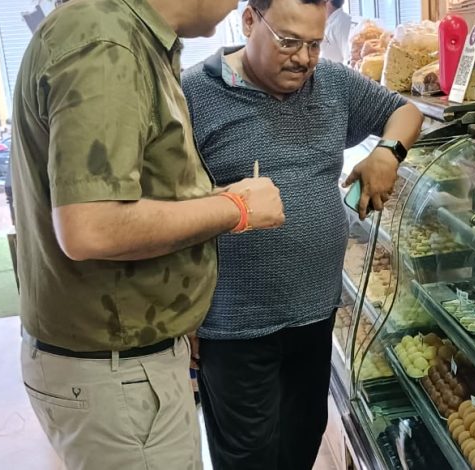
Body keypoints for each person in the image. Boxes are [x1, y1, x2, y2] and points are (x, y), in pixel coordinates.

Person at [10, 0, 285, 468]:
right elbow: (90, 227)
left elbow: (132, 193)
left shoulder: (129, 36)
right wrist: (234, 209)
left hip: (127, 361)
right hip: (113, 369)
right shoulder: (106, 41)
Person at [181, 0, 423, 468]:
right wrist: (184, 316)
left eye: (314, 43)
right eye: (288, 42)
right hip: (232, 325)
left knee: (302, 439)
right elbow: (170, 209)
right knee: (248, 456)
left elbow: (406, 112)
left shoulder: (331, 82)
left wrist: (387, 152)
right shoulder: (192, 94)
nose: (303, 59)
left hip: (315, 313)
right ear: (249, 21)